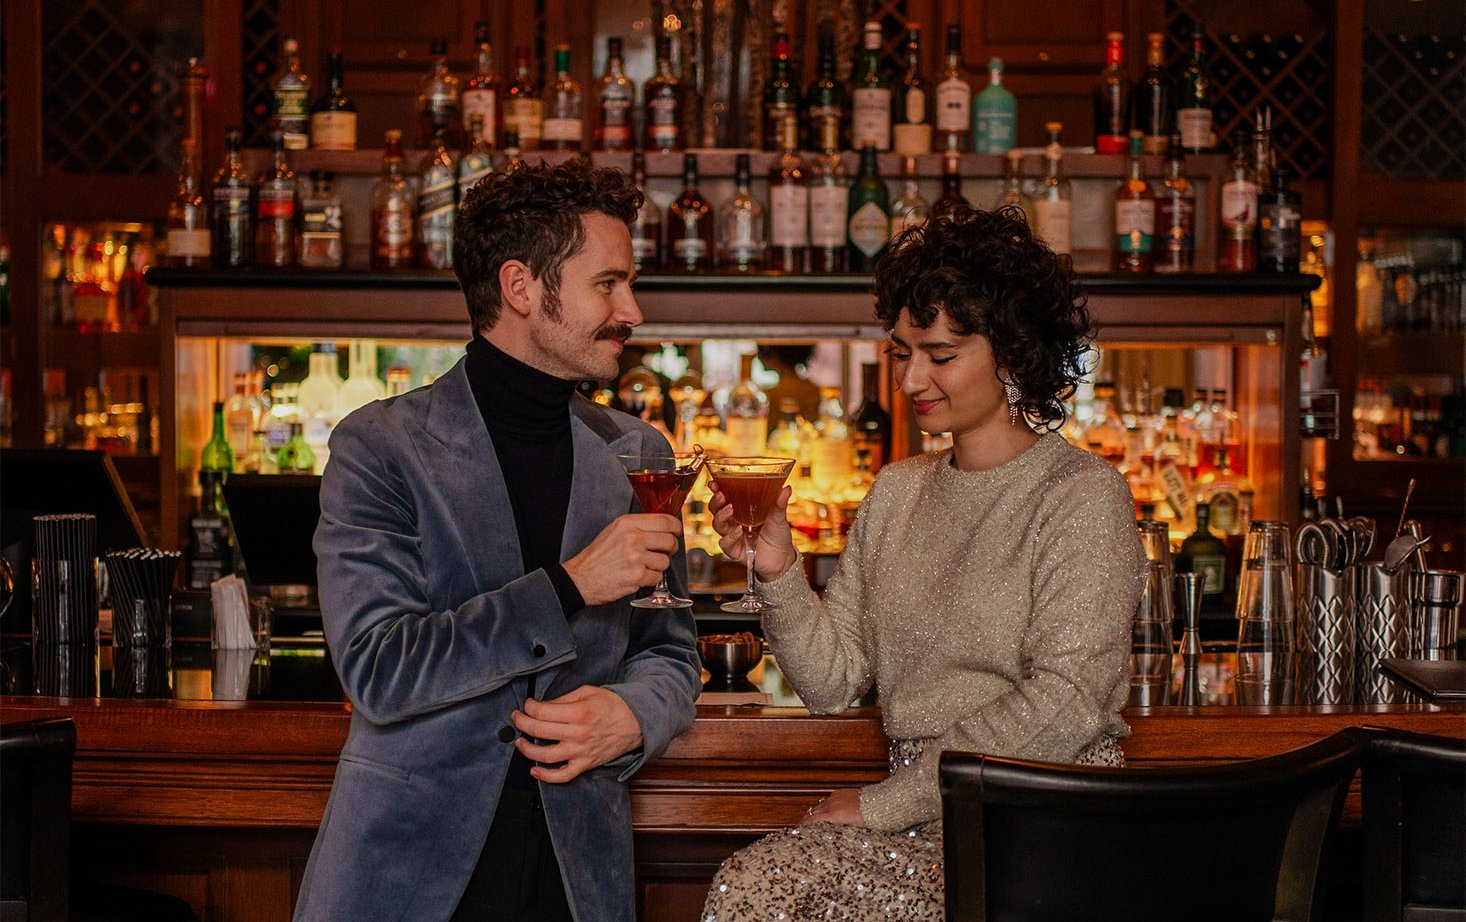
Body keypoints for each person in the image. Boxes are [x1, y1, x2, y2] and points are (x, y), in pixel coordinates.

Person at [701, 206, 1145, 920]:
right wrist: (781, 568)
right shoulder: (898, 490)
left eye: (939, 354)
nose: (910, 380)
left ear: (1014, 353)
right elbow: (830, 683)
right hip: (916, 821)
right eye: (902, 352)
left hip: (1036, 827)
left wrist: (883, 805)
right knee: (755, 881)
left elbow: (1067, 701)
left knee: (761, 888)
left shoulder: (1082, 495)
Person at [295, 159, 701, 922]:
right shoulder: (381, 447)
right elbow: (380, 670)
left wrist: (636, 715)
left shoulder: (640, 452)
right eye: (608, 284)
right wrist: (570, 584)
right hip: (409, 874)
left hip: (577, 872)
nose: (633, 311)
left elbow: (670, 648)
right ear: (522, 288)